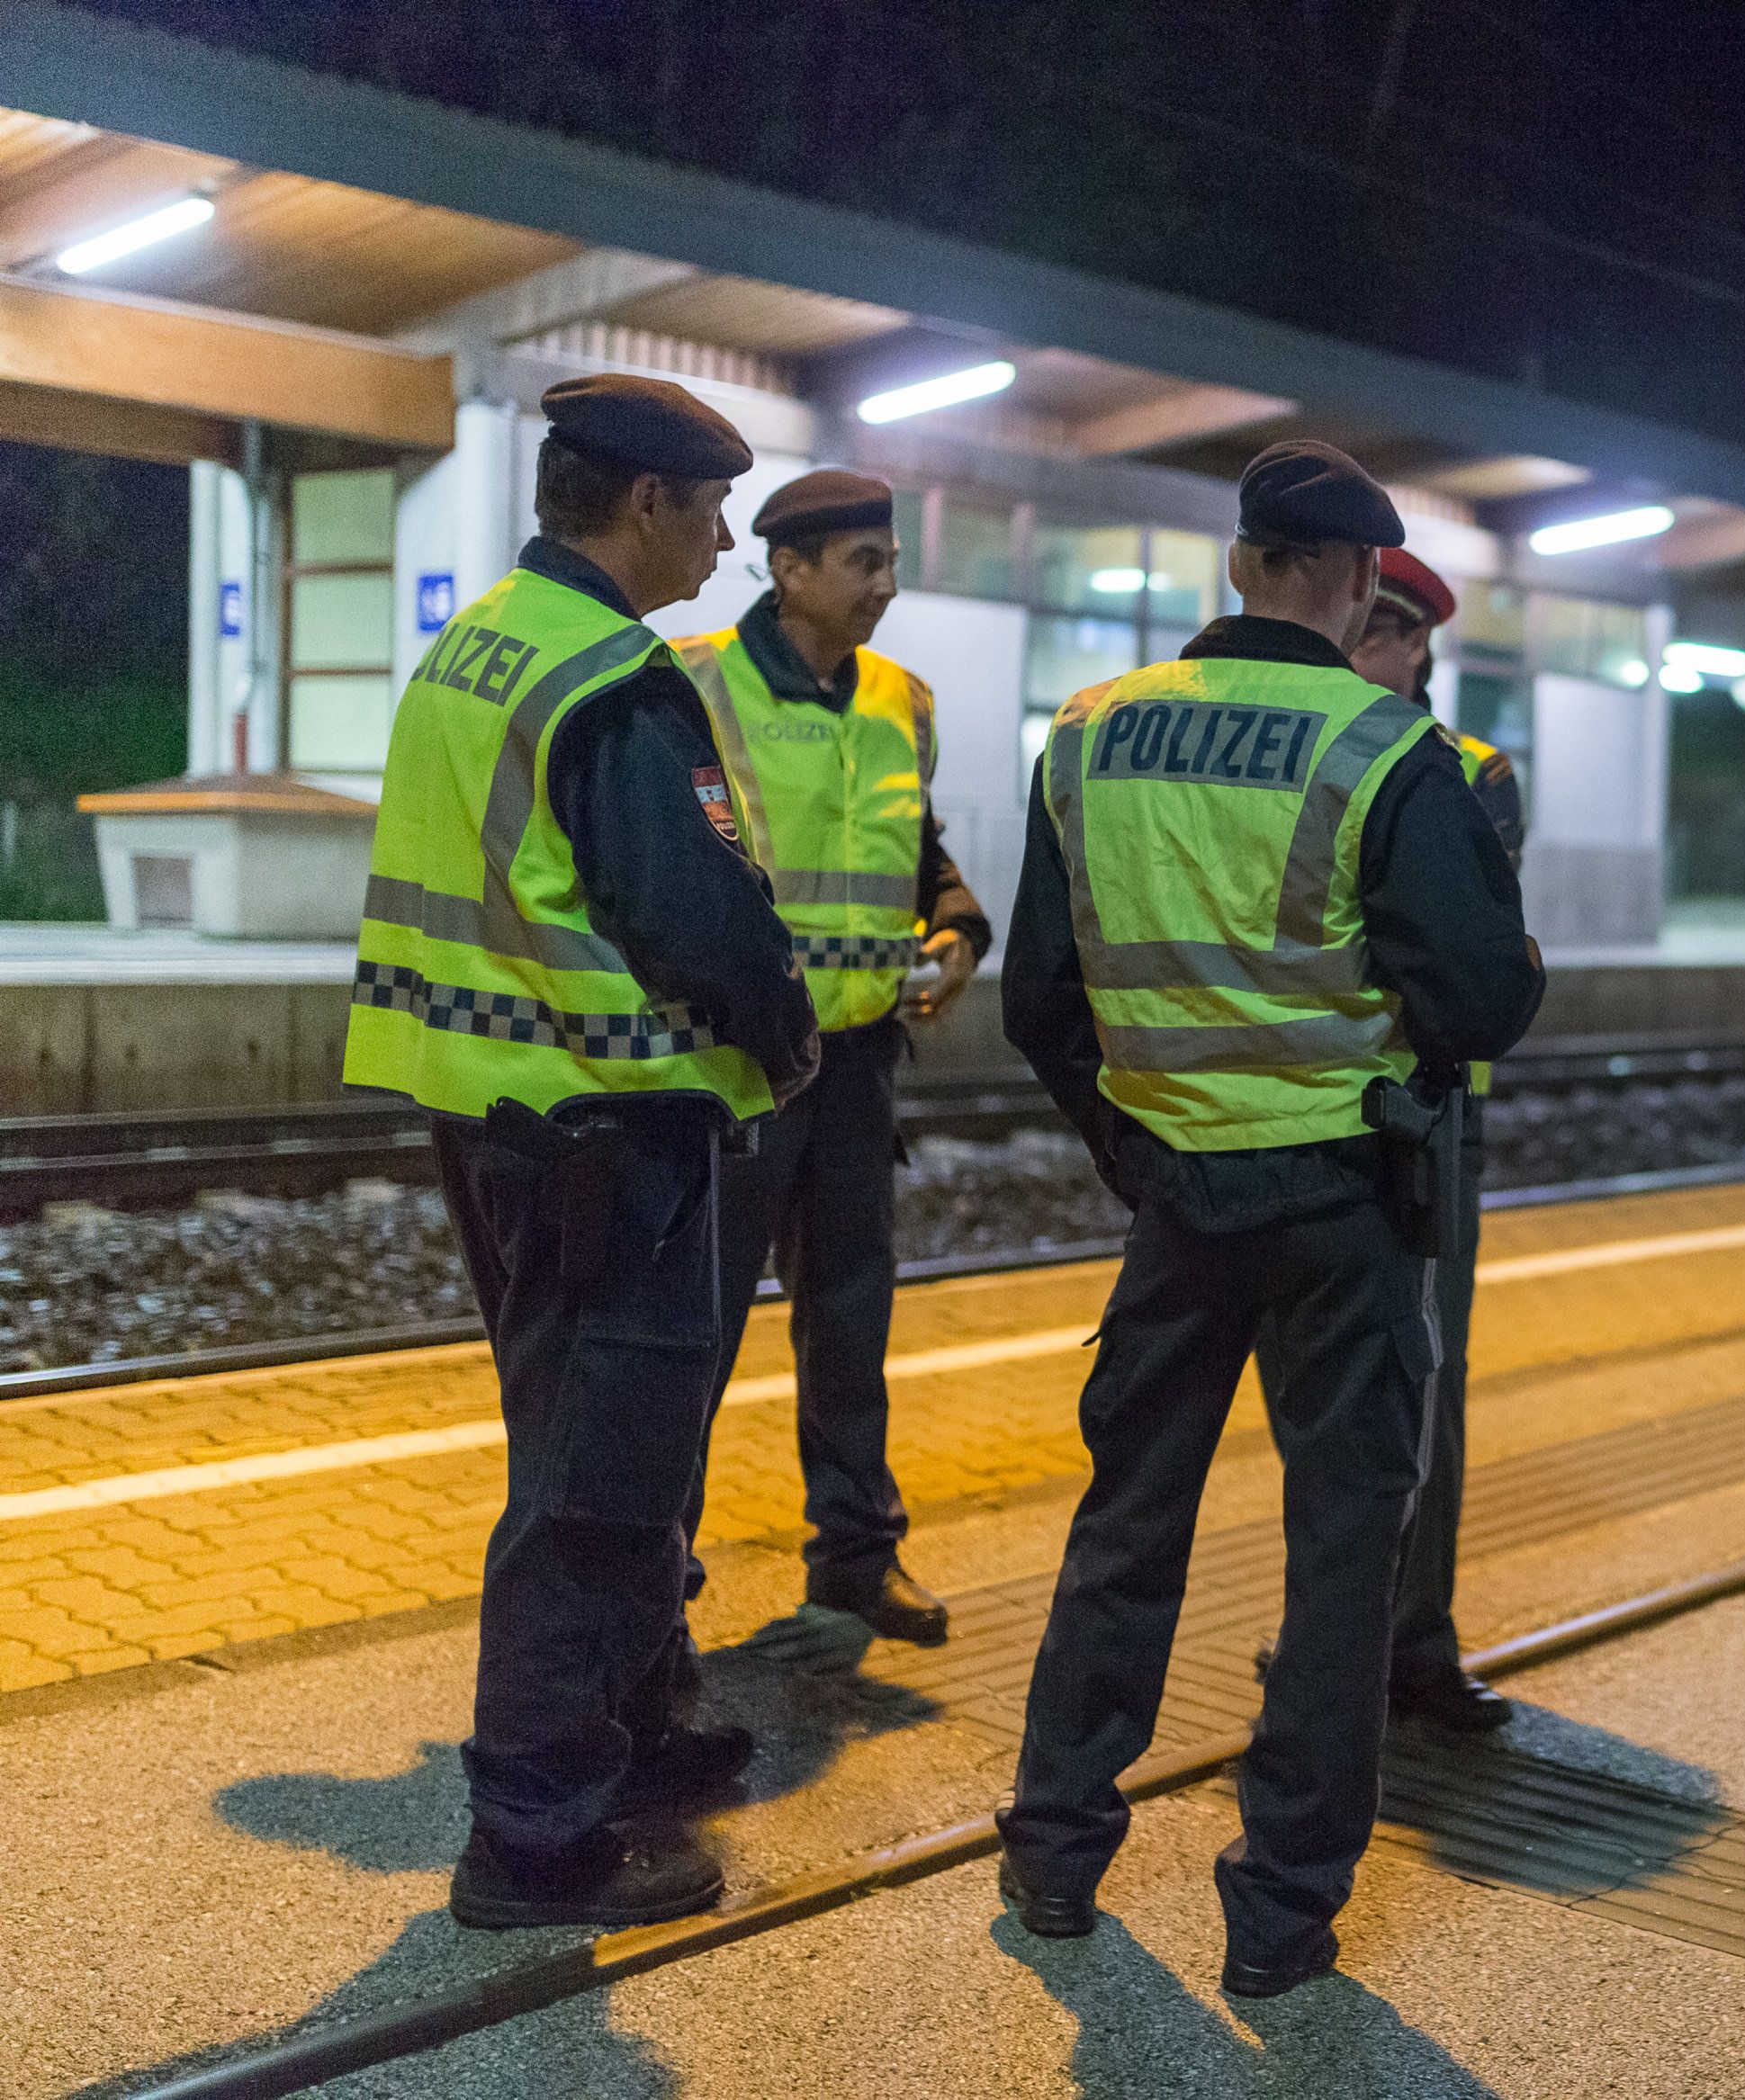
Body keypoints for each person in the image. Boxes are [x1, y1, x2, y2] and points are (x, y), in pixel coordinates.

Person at [994, 441, 1544, 1997]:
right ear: (1361, 583)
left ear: (1241, 564)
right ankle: (1280, 1911)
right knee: (1338, 1552)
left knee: (1127, 1525)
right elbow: (1483, 992)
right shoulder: (1386, 748)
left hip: (1174, 1200)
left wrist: (1134, 1142)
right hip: (1343, 1209)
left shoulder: (1090, 733)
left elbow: (1042, 998)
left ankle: (1052, 1843)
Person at [343, 375, 820, 1929]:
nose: (728, 537)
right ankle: (538, 1833)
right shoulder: (613, 679)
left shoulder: (479, 642)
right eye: (712, 508)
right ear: (645, 507)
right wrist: (789, 1029)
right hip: (607, 1126)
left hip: (495, 1113)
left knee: (601, 1446)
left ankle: (640, 1728)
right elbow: (694, 917)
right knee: (595, 1482)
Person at [678, 470, 990, 1645]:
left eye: (893, 561)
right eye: (865, 561)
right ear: (790, 568)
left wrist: (958, 925)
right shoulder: (696, 683)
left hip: (857, 1062)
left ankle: (857, 1557)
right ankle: (657, 1568)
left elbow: (919, 848)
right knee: (693, 1333)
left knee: (852, 1324)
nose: (887, 585)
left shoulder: (901, 697)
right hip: (732, 1067)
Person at [1306, 543, 1519, 1731]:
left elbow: (1440, 958)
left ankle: (1413, 1641)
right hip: (1313, 1114)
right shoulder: (1312, 746)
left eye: (1365, 628)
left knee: (1426, 1390)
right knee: (1331, 1398)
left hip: (1429, 1123)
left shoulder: (1470, 771)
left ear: (1403, 643)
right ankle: (1325, 1640)